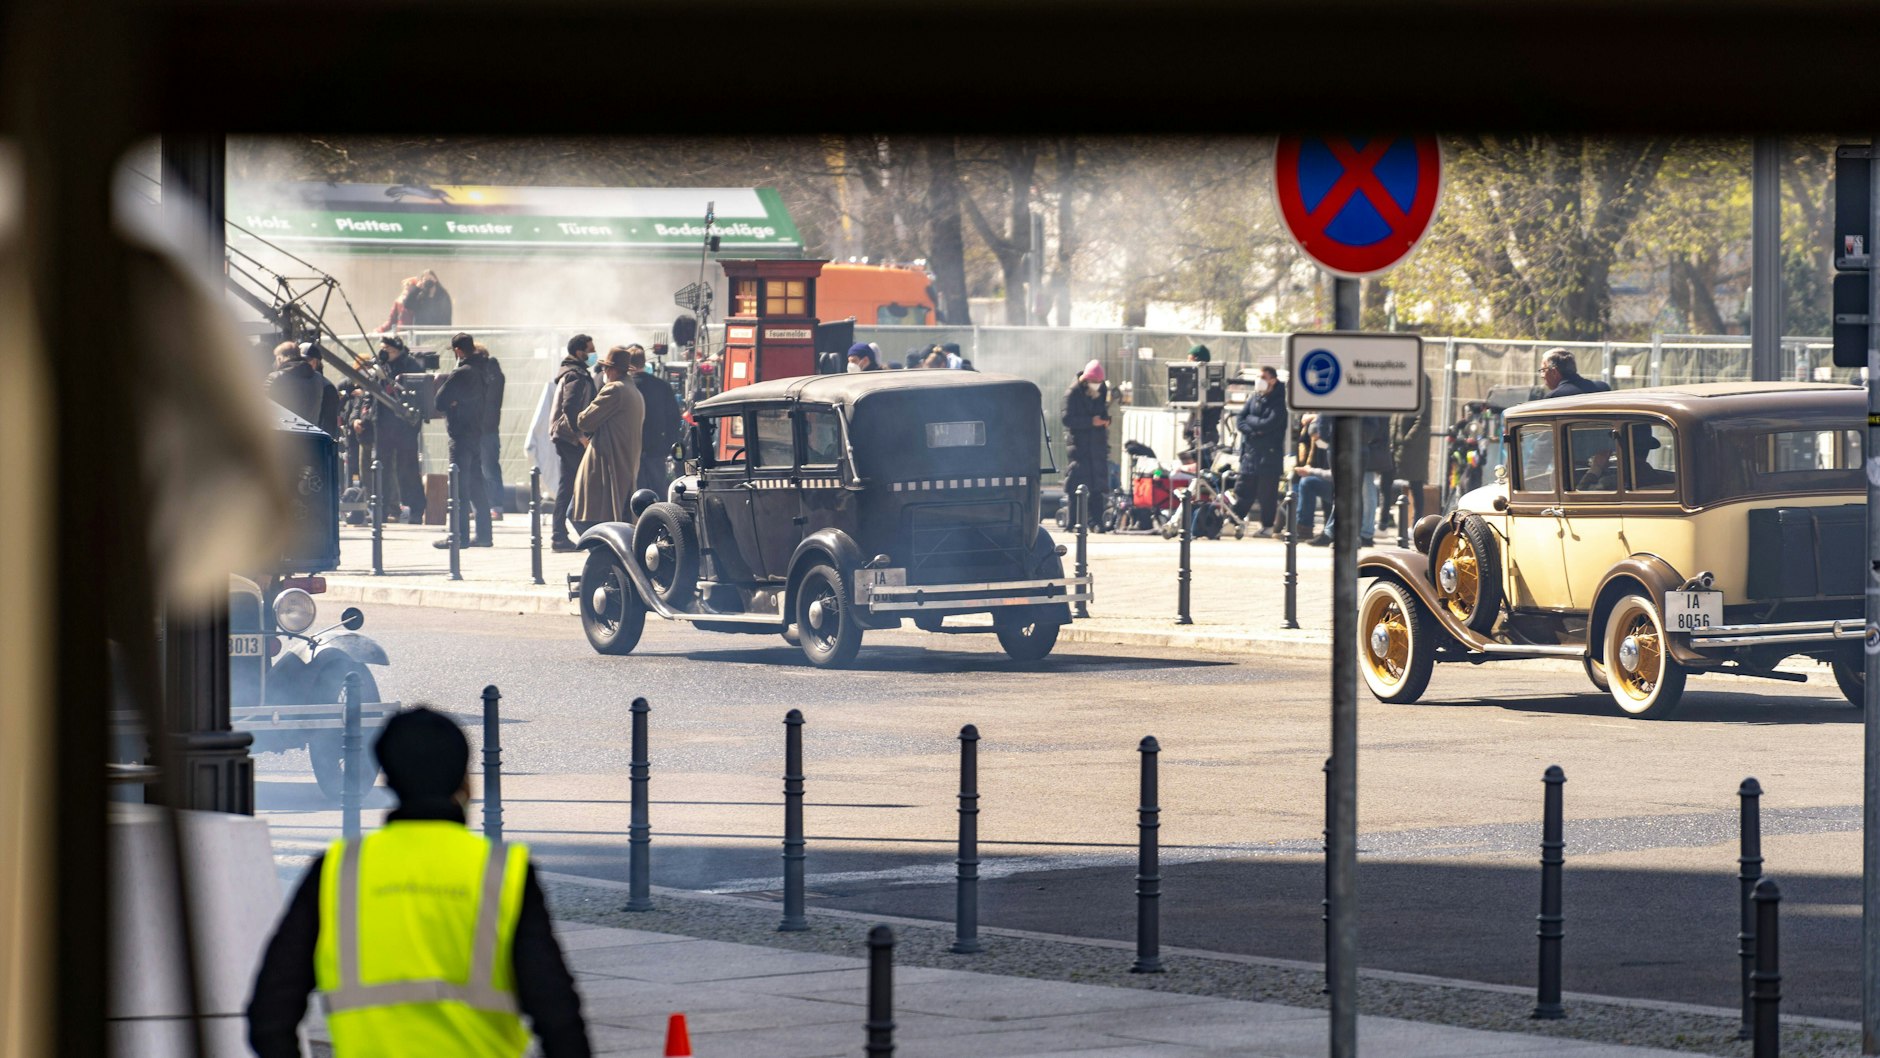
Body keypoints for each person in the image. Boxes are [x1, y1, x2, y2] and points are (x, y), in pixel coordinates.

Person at [246, 706, 590, 1058]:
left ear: (388, 780)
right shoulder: (501, 872)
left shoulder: (338, 871)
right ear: (465, 781)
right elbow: (558, 1017)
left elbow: (269, 1017)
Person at [570, 346, 645, 532]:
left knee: (581, 516)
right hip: (624, 463)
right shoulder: (634, 391)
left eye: (605, 368)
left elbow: (584, 421)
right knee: (608, 520)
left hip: (606, 463)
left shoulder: (614, 389)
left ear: (612, 370)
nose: (603, 372)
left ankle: (598, 549)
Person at [434, 333, 492, 549]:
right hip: (475, 434)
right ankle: (484, 535)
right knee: (477, 487)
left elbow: (440, 401)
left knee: (458, 488)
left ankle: (458, 537)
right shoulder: (482, 370)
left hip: (460, 435)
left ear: (458, 350)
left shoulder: (462, 372)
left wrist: (454, 402)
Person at [549, 335, 599, 550]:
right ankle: (562, 534)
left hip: (566, 437)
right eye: (591, 350)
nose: (593, 354)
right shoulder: (576, 375)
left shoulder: (574, 372)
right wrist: (580, 435)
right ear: (580, 352)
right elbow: (570, 407)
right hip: (570, 438)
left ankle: (559, 534)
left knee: (568, 485)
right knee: (575, 484)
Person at [376, 335, 426, 523]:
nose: (383, 352)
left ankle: (416, 509)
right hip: (383, 423)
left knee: (407, 468)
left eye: (386, 349)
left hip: (404, 426)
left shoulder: (411, 366)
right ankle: (382, 509)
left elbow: (418, 395)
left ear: (396, 350)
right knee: (381, 467)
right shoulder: (380, 366)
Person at [1233, 365, 1287, 536]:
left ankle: (1267, 526)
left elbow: (1269, 424)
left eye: (1263, 377)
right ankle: (1234, 521)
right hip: (1250, 454)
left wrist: (1252, 422)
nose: (1259, 381)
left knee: (1267, 493)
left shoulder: (1279, 402)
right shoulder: (1254, 398)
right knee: (1243, 489)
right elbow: (1241, 419)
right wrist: (1253, 429)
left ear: (1273, 380)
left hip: (1269, 456)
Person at [1061, 360, 1111, 527]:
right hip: (1079, 447)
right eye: (1094, 381)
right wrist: (1091, 422)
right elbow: (1067, 419)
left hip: (1097, 445)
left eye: (1099, 382)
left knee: (1098, 487)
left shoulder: (1101, 389)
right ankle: (1073, 522)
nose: (1097, 385)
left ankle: (1097, 522)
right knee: (1077, 485)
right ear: (1086, 379)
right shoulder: (1072, 393)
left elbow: (1103, 410)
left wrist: (1105, 420)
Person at [628, 343, 681, 498]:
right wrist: (668, 444)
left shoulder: (624, 387)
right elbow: (674, 419)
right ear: (644, 362)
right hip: (656, 448)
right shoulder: (661, 386)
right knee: (658, 490)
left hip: (630, 448)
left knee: (634, 492)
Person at [1381, 375, 1432, 531]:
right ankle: (1383, 522)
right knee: (1385, 480)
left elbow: (1423, 420)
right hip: (1395, 445)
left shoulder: (1421, 385)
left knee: (1416, 485)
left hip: (1412, 448)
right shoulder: (1401, 383)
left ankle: (1416, 525)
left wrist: (1407, 439)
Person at [472, 342, 507, 519]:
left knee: (489, 468)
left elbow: (489, 398)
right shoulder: (483, 372)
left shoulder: (491, 371)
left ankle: (496, 507)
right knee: (477, 469)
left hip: (487, 429)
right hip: (478, 429)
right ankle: (480, 507)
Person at [264, 340, 322, 423]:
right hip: (311, 429)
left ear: (280, 359)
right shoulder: (317, 378)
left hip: (283, 429)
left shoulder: (276, 378)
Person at [304, 345, 343, 440]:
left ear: (315, 362)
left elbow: (328, 424)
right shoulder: (301, 384)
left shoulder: (327, 387)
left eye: (306, 360)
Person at [1540, 348, 1611, 398]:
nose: (1542, 375)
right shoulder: (1603, 388)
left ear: (1554, 372)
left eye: (1543, 370)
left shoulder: (1554, 398)